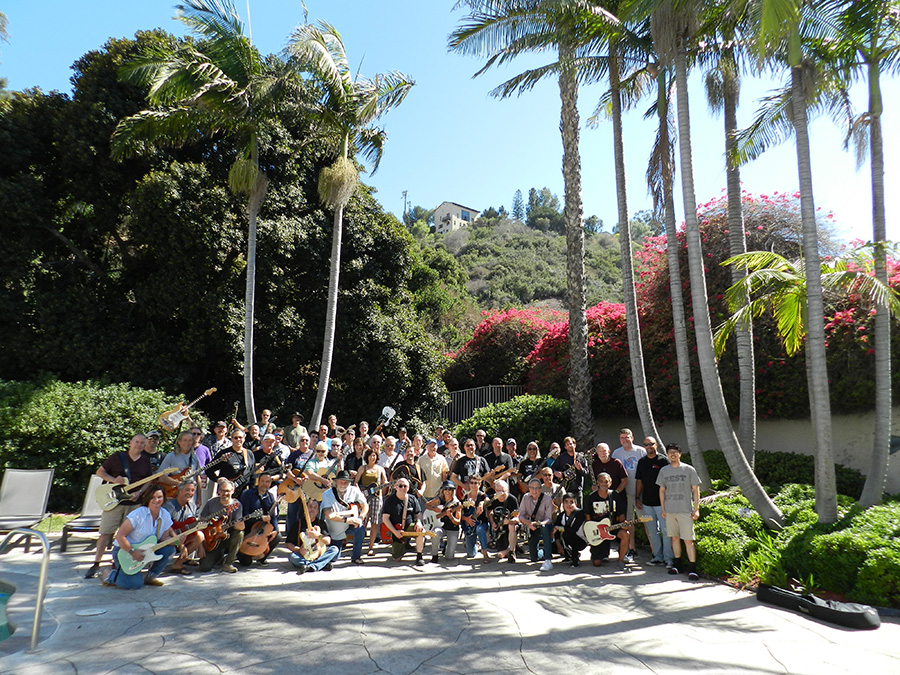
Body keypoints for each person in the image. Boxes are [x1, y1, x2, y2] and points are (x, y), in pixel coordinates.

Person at [86, 434, 161, 579]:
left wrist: (140, 492)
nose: (139, 445)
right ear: (130, 443)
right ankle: (96, 563)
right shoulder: (117, 457)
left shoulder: (145, 461)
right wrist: (114, 480)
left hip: (134, 504)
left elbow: (148, 480)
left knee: (132, 535)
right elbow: (100, 472)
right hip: (115, 502)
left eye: (142, 443)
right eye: (137, 442)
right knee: (106, 532)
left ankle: (121, 562)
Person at [105, 484, 182, 589]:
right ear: (148, 498)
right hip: (125, 551)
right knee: (133, 585)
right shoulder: (138, 514)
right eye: (153, 497)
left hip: (146, 551)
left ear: (164, 498)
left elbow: (163, 539)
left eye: (159, 497)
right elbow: (120, 536)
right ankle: (109, 575)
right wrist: (132, 552)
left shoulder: (165, 515)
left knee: (169, 550)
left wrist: (177, 541)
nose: (156, 500)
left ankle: (151, 577)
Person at [657, 443, 702, 580]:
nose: (673, 455)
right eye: (670, 452)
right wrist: (663, 509)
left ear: (680, 454)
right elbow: (662, 490)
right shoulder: (664, 471)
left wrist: (696, 509)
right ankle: (678, 565)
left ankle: (692, 568)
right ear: (667, 455)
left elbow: (696, 490)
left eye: (675, 452)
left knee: (688, 540)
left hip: (685, 511)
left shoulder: (689, 470)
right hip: (670, 511)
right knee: (674, 538)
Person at [634, 436, 674, 568]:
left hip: (662, 504)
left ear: (656, 445)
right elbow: (639, 481)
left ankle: (669, 559)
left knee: (666, 531)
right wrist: (637, 497)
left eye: (651, 444)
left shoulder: (664, 461)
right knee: (652, 532)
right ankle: (657, 557)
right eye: (646, 444)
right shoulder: (642, 462)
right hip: (647, 503)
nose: (648, 447)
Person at [612, 428, 647, 562]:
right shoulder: (616, 453)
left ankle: (656, 552)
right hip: (624, 495)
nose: (624, 440)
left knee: (646, 521)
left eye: (627, 437)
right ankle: (632, 550)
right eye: (622, 438)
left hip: (640, 493)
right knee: (628, 523)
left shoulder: (641, 451)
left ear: (632, 438)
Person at [321, 470, 369, 564]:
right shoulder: (327, 494)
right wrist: (347, 520)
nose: (343, 484)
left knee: (360, 529)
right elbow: (328, 514)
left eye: (346, 482)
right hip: (335, 529)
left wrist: (360, 518)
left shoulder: (354, 490)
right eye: (341, 482)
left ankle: (356, 556)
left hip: (350, 525)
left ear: (349, 483)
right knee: (334, 557)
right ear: (336, 482)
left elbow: (365, 505)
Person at [584, 472, 629, 570]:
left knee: (625, 534)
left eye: (606, 481)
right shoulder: (591, 497)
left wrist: (624, 524)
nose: (604, 484)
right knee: (597, 563)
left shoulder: (615, 496)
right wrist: (591, 534)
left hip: (612, 527)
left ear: (610, 483)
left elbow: (621, 514)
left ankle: (620, 560)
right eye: (601, 481)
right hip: (598, 530)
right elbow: (588, 518)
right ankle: (598, 553)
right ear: (597, 482)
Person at [198, 478, 244, 573]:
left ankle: (228, 563)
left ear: (232, 491)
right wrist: (201, 546)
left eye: (227, 491)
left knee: (239, 534)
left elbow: (239, 527)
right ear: (218, 491)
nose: (225, 493)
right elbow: (201, 522)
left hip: (227, 537)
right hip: (212, 539)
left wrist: (240, 525)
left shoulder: (237, 505)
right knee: (204, 567)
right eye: (222, 490)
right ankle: (219, 557)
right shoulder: (211, 503)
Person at [236, 472, 281, 566]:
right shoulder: (247, 494)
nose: (265, 484)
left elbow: (273, 516)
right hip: (248, 529)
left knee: (278, 536)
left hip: (262, 530)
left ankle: (261, 556)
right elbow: (244, 514)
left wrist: (276, 530)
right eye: (262, 481)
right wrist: (260, 518)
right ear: (258, 481)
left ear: (270, 483)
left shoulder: (270, 497)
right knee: (246, 563)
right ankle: (242, 552)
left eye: (267, 482)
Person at [285, 497, 340, 574]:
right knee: (292, 557)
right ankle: (321, 564)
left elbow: (328, 541)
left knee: (335, 549)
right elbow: (288, 543)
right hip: (305, 554)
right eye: (310, 506)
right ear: (305, 509)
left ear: (317, 511)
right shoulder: (297, 524)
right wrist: (299, 550)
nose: (312, 509)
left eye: (315, 507)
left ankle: (310, 566)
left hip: (319, 552)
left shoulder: (321, 523)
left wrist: (318, 536)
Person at [163, 480, 205, 574]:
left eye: (192, 490)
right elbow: (166, 527)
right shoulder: (169, 506)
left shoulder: (193, 507)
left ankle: (178, 564)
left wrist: (200, 546)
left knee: (200, 535)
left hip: (183, 537)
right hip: (168, 538)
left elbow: (196, 527)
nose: (190, 493)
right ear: (180, 490)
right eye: (187, 490)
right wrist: (180, 544)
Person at [382, 478, 426, 565]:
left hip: (409, 527)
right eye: (400, 486)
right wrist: (395, 532)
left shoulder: (412, 499)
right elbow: (385, 518)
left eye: (405, 486)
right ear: (396, 487)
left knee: (421, 531)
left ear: (408, 488)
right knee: (397, 559)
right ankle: (402, 547)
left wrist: (418, 522)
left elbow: (419, 513)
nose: (403, 488)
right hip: (396, 531)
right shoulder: (390, 500)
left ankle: (419, 556)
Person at [354, 448, 389, 555]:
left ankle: (371, 546)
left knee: (374, 522)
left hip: (376, 497)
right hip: (363, 497)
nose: (372, 458)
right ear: (367, 457)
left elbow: (385, 482)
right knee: (362, 521)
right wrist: (360, 493)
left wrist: (387, 484)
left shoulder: (380, 469)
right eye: (370, 455)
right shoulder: (362, 468)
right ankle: (358, 545)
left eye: (374, 455)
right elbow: (355, 482)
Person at [518, 478, 555, 570]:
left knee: (544, 528)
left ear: (540, 489)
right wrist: (528, 523)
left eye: (537, 488)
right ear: (529, 488)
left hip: (543, 524)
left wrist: (540, 524)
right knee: (534, 557)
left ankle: (548, 560)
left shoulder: (547, 499)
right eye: (532, 488)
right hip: (531, 525)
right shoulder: (525, 497)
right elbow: (521, 515)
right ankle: (545, 552)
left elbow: (549, 518)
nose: (534, 491)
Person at [206, 428, 254, 498]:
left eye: (240, 437)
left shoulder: (249, 454)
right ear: (231, 439)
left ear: (244, 439)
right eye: (235, 438)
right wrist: (217, 479)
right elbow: (208, 469)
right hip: (226, 493)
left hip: (244, 493)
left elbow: (252, 473)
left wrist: (252, 490)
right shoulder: (224, 454)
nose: (238, 440)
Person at [426, 480, 461, 563]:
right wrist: (434, 509)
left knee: (449, 557)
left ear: (453, 491)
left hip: (452, 529)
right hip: (440, 526)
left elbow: (457, 522)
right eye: (445, 489)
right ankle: (434, 555)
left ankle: (446, 545)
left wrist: (451, 516)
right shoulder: (439, 500)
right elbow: (427, 504)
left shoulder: (457, 504)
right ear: (442, 490)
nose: (447, 491)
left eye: (450, 489)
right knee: (435, 533)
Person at [487, 479, 518, 563]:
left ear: (507, 490)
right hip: (499, 527)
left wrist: (510, 521)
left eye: (503, 491)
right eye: (498, 491)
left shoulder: (512, 499)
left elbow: (517, 517)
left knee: (512, 526)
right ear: (495, 491)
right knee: (500, 553)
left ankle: (512, 552)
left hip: (510, 527)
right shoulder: (492, 499)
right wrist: (492, 523)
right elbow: (489, 512)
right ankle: (511, 547)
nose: (501, 493)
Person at [460, 476, 490, 561]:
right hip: (469, 525)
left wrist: (482, 503)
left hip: (481, 523)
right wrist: (466, 519)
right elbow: (459, 513)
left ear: (479, 484)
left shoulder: (482, 495)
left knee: (480, 529)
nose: (473, 485)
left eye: (476, 483)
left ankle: (485, 553)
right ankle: (477, 546)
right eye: (471, 483)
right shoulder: (465, 497)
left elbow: (489, 501)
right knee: (471, 554)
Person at [555, 492, 588, 567]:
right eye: (566, 502)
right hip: (566, 541)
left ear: (576, 504)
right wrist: (558, 545)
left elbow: (573, 530)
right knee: (553, 547)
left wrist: (558, 528)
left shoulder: (580, 513)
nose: (568, 504)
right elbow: (556, 532)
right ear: (562, 503)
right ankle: (568, 554)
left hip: (581, 541)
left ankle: (575, 558)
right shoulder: (561, 516)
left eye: (571, 502)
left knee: (567, 534)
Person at [553, 436, 587, 507]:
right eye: (567, 445)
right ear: (565, 447)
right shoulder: (561, 457)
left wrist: (580, 469)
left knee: (579, 509)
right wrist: (557, 473)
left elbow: (586, 473)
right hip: (565, 488)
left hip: (577, 489)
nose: (569, 446)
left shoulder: (581, 457)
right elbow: (553, 468)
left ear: (575, 445)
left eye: (571, 444)